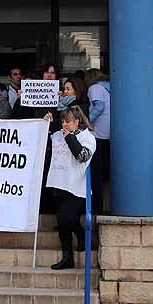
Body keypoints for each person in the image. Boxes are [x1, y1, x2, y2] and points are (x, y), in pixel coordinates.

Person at [42, 105, 95, 270]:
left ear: (77, 122)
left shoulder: (87, 137)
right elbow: (40, 138)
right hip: (58, 185)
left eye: (69, 122)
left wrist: (70, 137)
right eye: (63, 121)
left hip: (76, 187)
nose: (65, 125)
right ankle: (68, 256)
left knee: (65, 219)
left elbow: (82, 156)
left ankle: (82, 237)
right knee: (63, 221)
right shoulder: (57, 135)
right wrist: (45, 124)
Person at [84, 69, 111, 214]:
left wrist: (86, 122)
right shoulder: (109, 88)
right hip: (108, 135)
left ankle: (96, 206)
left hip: (97, 134)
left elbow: (98, 107)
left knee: (95, 174)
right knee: (102, 173)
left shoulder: (95, 88)